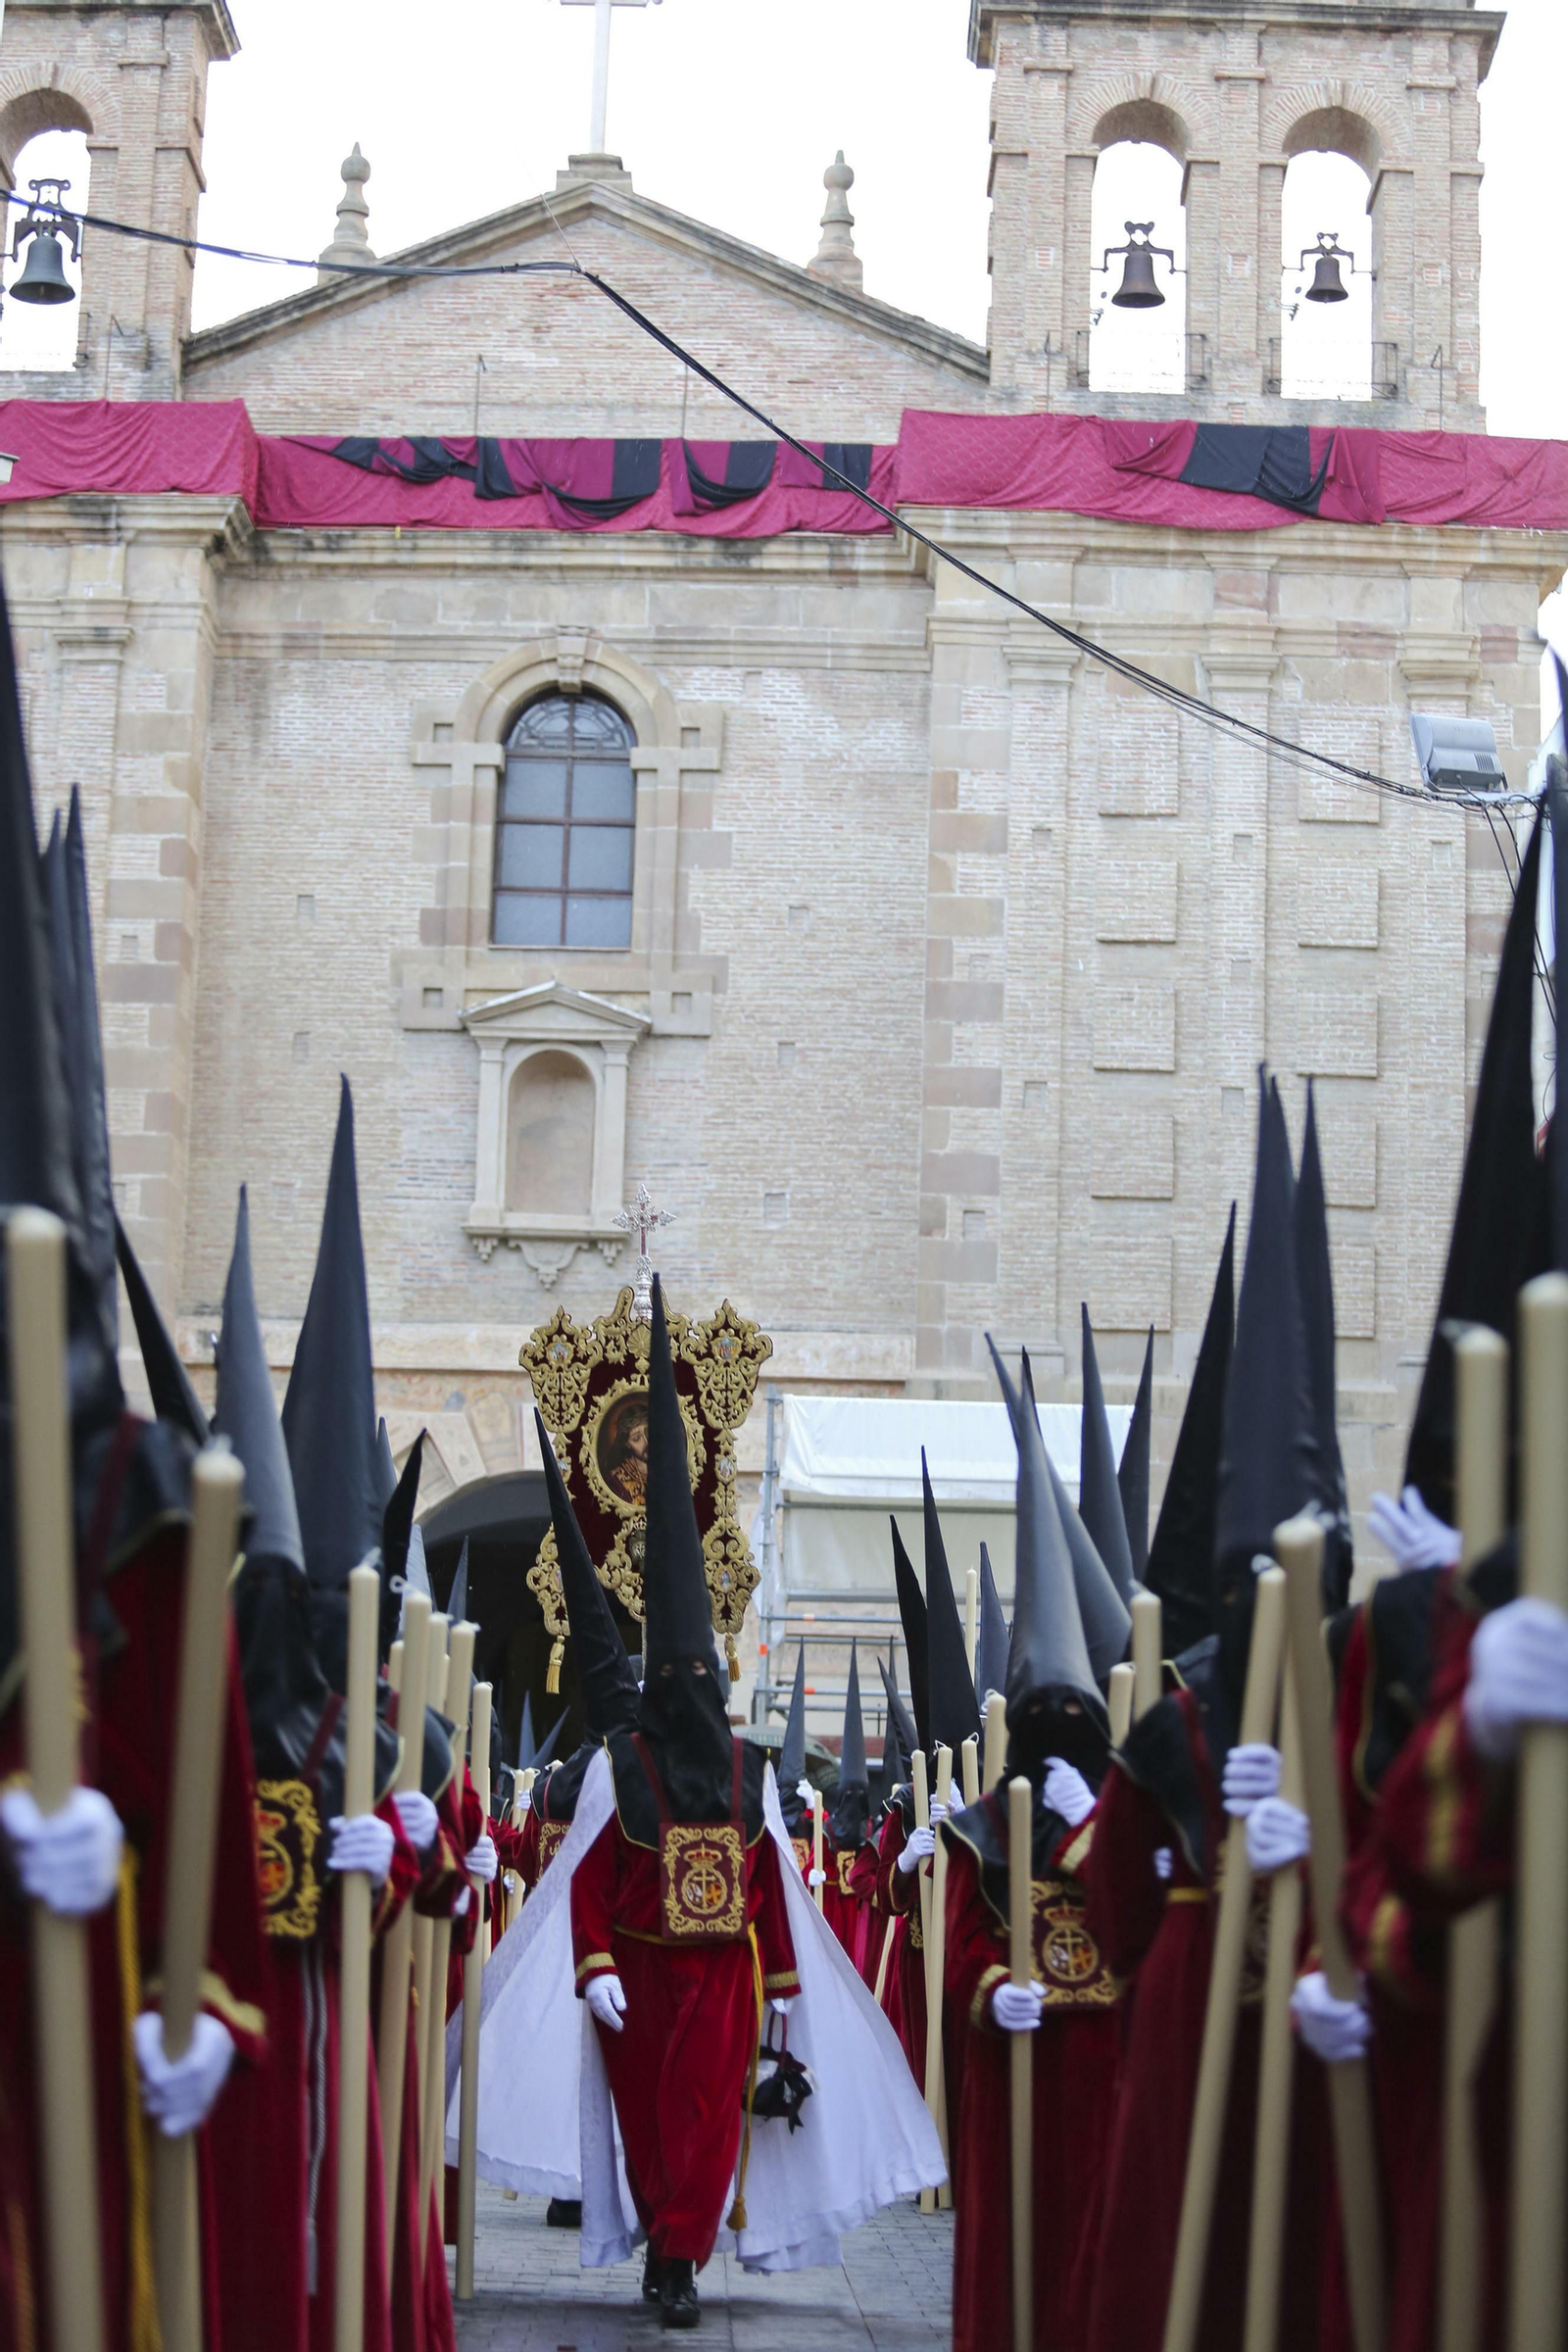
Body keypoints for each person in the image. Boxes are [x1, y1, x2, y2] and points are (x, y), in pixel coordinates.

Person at [568, 1281, 800, 2328]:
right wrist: (596, 1967)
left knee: (707, 2124)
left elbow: (772, 1879)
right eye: (676, 1683)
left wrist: (783, 1983)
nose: (690, 1694)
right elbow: (590, 1876)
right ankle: (660, 2239)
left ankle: (681, 2262)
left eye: (701, 1680)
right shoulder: (622, 1764)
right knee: (650, 2127)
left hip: (721, 1978)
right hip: (643, 1974)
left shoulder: (751, 1772)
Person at [941, 1334, 1124, 2352]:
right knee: (1019, 2254)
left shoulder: (1124, 1814)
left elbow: (1152, 1919)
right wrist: (985, 1989)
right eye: (1040, 1713)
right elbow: (964, 1943)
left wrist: (1099, 1824)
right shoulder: (984, 1831)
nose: (1058, 1728)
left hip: (1109, 2069)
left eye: (1073, 1715)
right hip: (1018, 2065)